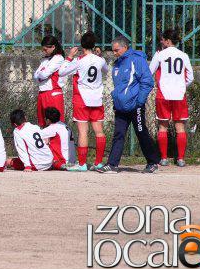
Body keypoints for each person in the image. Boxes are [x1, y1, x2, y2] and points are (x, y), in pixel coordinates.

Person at [98, 36, 161, 174]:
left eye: (116, 50)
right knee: (118, 134)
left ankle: (153, 162)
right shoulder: (117, 63)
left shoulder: (137, 60)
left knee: (141, 132)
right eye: (112, 50)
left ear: (125, 47)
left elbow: (147, 82)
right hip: (121, 106)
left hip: (135, 105)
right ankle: (112, 164)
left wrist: (139, 101)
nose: (114, 53)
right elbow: (120, 85)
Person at [59, 31, 108, 171]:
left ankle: (82, 164)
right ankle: (98, 162)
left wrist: (69, 57)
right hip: (97, 99)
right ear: (94, 45)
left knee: (83, 132)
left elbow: (62, 72)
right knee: (99, 131)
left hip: (81, 99)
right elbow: (105, 70)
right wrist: (99, 56)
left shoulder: (78, 61)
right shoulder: (100, 60)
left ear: (81, 45)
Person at [149, 29, 194, 167]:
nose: (161, 42)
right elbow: (190, 77)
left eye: (163, 39)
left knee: (163, 127)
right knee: (180, 127)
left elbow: (149, 71)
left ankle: (163, 158)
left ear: (168, 41)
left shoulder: (160, 55)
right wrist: (181, 85)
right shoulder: (184, 55)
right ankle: (180, 159)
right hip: (179, 95)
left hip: (163, 95)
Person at [33, 35, 67, 126]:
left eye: (45, 49)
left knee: (55, 124)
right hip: (42, 93)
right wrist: (41, 75)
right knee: (43, 123)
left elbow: (43, 74)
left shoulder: (58, 58)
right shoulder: (45, 59)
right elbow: (35, 76)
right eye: (43, 49)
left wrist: (41, 75)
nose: (44, 51)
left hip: (52, 93)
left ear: (53, 47)